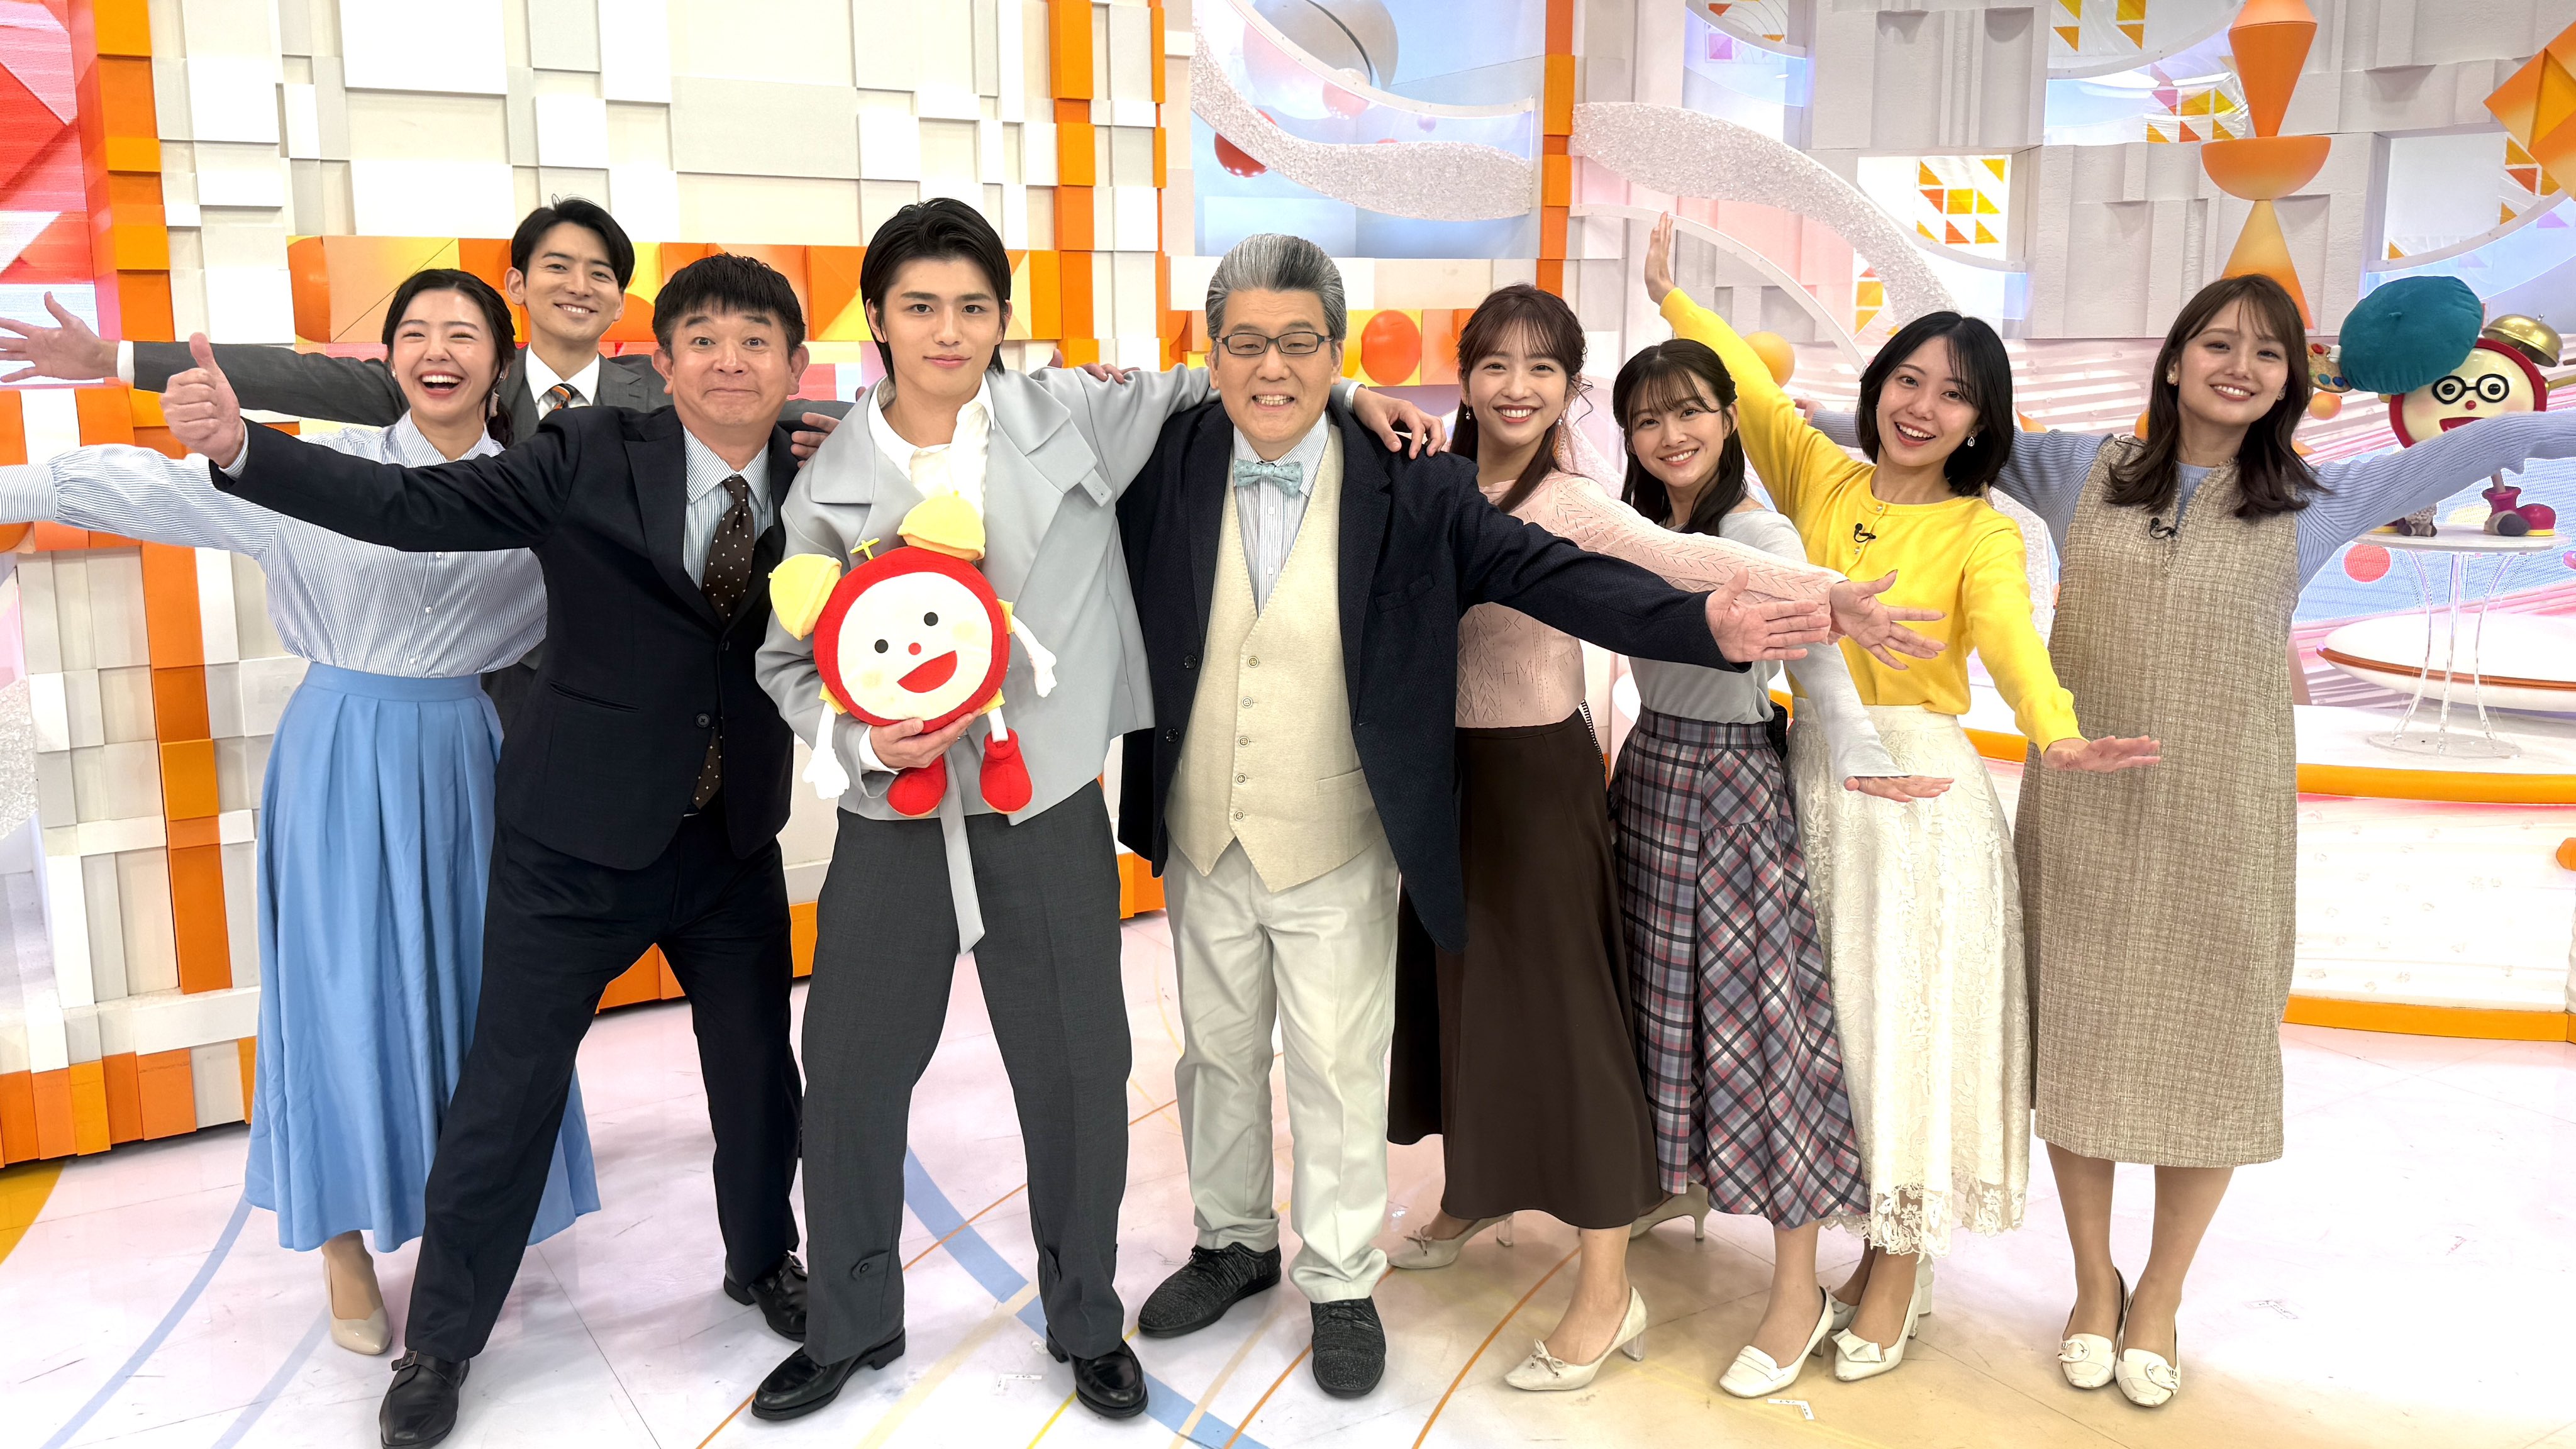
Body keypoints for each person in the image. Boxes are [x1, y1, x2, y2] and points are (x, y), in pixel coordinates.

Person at [1115, 233, 1938, 1402]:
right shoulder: (1174, 451)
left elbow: (1586, 573)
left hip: (1361, 816)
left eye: (1302, 343)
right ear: (1213, 350)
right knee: (1220, 1052)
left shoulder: (1412, 480)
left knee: (1344, 1061)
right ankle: (1234, 1242)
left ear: (1337, 351)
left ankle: (1341, 1280)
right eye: (1246, 341)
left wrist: (1766, 609)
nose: (1273, 364)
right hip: (1224, 817)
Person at [1807, 272, 2576, 1407]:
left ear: (2290, 382)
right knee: (2079, 1045)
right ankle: (2093, 1285)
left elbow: (2496, 439)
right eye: (2219, 344)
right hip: (2087, 804)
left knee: (2211, 1053)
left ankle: (2161, 1292)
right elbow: (1917, 423)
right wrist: (1776, 405)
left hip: (2227, 813)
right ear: (2174, 361)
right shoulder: (2082, 470)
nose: (2240, 368)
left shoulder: (2319, 498)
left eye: (2267, 354)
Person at [748, 199, 1441, 1424]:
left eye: (972, 307)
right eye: (920, 307)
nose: (948, 330)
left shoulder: (1072, 413)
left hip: (1049, 801)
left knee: (1078, 1075)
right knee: (848, 1074)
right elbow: (786, 663)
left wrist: (1350, 394)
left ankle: (1083, 1318)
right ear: (877, 322)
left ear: (1002, 320)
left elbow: (1234, 372)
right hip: (893, 820)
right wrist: (862, 742)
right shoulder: (828, 481)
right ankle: (851, 1319)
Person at [159, 252, 818, 1449]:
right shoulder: (586, 453)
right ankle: (443, 1343)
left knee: (758, 1076)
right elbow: (409, 509)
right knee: (505, 1095)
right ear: (661, 361)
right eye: (704, 340)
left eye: (756, 341)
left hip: (729, 842)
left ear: (794, 363)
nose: (731, 362)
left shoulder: (824, 469)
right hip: (573, 848)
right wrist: (246, 449)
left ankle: (764, 1258)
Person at [0, 269, 598, 1360]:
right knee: (336, 1001)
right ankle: (340, 1244)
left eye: (463, 333)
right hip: (339, 759)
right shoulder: (315, 466)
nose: (437, 350)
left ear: (502, 362)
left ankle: (472, 1217)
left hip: (470, 762)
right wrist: (20, 486)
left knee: (484, 1000)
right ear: (389, 358)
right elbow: (151, 487)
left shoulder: (540, 489)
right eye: (413, 331)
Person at [1380, 285, 1941, 1396]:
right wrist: (1360, 397)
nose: (1517, 388)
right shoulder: (1433, 474)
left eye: (1544, 369)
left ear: (1570, 389)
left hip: (1542, 777)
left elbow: (1684, 565)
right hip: (1461, 779)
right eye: (1495, 364)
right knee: (1465, 998)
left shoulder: (1577, 502)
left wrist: (1832, 597)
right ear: (1464, 374)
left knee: (1579, 1023)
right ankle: (1478, 1184)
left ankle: (1607, 1287)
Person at [1645, 214, 2160, 1384]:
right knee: (1830, 1034)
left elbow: (2012, 641)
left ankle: (1897, 1264)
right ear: (1878, 386)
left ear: (1983, 421)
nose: (1923, 407)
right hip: (1811, 780)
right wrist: (1675, 299)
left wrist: (2057, 731)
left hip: (1919, 797)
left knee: (1901, 1030)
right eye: (1910, 380)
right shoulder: (1819, 477)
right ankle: (1855, 1250)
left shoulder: (1980, 531)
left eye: (1955, 394)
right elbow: (1750, 394)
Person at [0, 197, 849, 728]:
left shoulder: (667, 387)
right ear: (517, 284)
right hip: (478, 680)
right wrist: (112, 359)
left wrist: (858, 434)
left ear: (621, 299)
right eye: (556, 266)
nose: (577, 285)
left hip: (617, 692)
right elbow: (292, 377)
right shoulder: (452, 377)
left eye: (600, 273)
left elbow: (777, 407)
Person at [1599, 334, 1958, 1399]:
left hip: (1729, 788)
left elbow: (1821, 666)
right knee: (1660, 1013)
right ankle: (1682, 1180)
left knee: (1763, 1036)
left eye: (1691, 411)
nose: (1672, 434)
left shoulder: (1755, 531)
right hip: (1650, 776)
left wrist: (1865, 758)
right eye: (1649, 418)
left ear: (1728, 419)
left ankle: (1795, 1290)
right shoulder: (1637, 530)